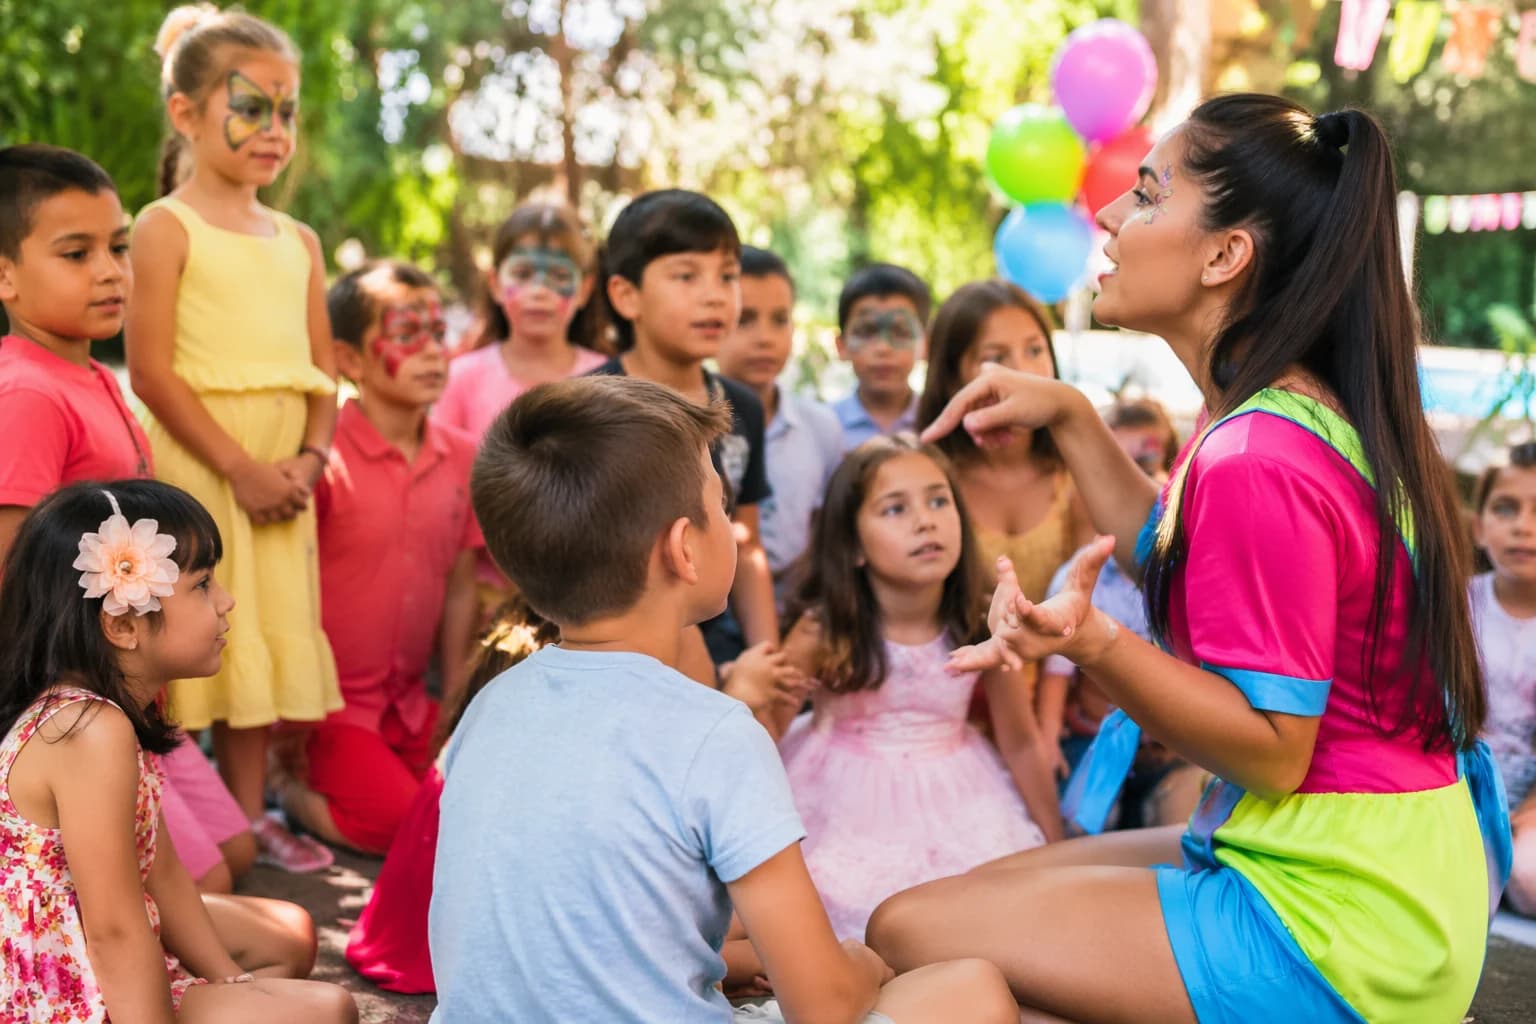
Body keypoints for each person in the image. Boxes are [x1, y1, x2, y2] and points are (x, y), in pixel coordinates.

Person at [868, 94, 1504, 1024]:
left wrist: (1095, 645)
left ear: (1223, 255)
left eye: (1147, 194)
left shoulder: (1257, 457)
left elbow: (1274, 751)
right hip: (1383, 868)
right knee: (965, 909)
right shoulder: (1281, 410)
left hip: (1340, 919)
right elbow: (1179, 561)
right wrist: (1069, 413)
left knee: (908, 931)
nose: (1108, 215)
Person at [429, 375, 1017, 1023]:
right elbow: (823, 1006)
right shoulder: (715, 733)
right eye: (721, 505)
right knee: (973, 986)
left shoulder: (489, 706)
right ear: (684, 549)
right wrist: (863, 965)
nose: (735, 530)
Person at [0, 142, 265, 894]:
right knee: (208, 884)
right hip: (77, 712)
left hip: (130, 693)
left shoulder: (90, 376)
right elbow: (14, 574)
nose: (112, 271)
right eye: (75, 253)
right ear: (5, 275)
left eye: (117, 247)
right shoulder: (27, 394)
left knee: (235, 852)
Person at [0, 480, 356, 1022]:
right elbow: (114, 931)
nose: (227, 601)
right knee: (329, 1010)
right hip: (55, 983)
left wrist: (231, 983)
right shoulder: (88, 731)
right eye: (203, 584)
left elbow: (161, 872)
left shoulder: (114, 711)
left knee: (292, 935)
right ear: (122, 625)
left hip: (85, 936)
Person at [125, 5, 341, 872]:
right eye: (250, 106)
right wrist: (241, 469)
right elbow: (151, 372)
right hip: (204, 472)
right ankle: (167, 819)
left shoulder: (301, 241)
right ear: (185, 112)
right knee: (180, 631)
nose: (275, 129)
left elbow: (323, 371)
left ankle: (248, 820)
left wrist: (309, 461)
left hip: (283, 483)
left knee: (253, 635)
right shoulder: (162, 226)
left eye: (287, 110)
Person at [775, 435, 1060, 941]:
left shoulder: (984, 620)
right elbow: (764, 736)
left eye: (938, 501)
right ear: (852, 545)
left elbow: (1018, 740)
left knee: (981, 916)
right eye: (895, 509)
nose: (925, 521)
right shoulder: (822, 631)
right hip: (841, 797)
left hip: (961, 791)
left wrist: (1055, 845)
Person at [273, 261, 479, 856]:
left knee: (474, 813)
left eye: (437, 333)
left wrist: (458, 703)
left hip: (413, 705)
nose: (432, 352)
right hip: (332, 708)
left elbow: (461, 586)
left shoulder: (464, 455)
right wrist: (293, 713)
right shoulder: (322, 458)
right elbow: (289, 589)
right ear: (350, 360)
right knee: (402, 827)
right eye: (406, 335)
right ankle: (285, 789)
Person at [591, 189, 777, 666]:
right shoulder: (589, 409)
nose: (715, 295)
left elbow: (746, 545)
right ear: (626, 295)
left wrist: (766, 658)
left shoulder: (742, 407)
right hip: (619, 654)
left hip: (723, 647)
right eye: (686, 276)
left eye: (727, 276)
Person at [916, 282, 1093, 692]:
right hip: (951, 692)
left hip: (1062, 695)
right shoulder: (931, 479)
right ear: (952, 379)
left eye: (1035, 350)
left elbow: (1093, 602)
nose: (1022, 372)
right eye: (995, 358)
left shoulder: (1077, 473)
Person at [1471, 442, 1536, 915]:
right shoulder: (1455, 606)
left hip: (1529, 807)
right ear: (1479, 526)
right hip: (1456, 791)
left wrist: (1527, 813)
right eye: (1506, 508)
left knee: (1528, 877)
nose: (1523, 526)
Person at [832, 264, 929, 450]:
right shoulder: (822, 428)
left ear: (925, 345)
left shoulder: (941, 424)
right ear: (841, 345)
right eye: (866, 332)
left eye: (900, 332)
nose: (883, 348)